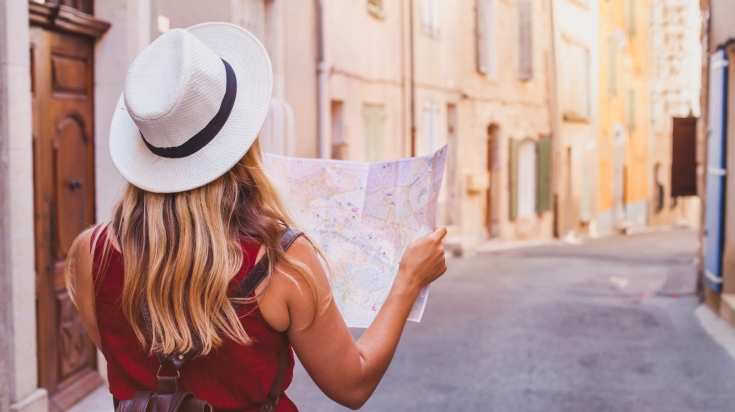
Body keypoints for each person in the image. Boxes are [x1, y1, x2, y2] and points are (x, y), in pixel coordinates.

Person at [65, 22, 447, 411]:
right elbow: (352, 385)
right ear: (242, 143)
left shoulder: (89, 252)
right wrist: (408, 279)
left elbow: (128, 360)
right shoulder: (280, 259)